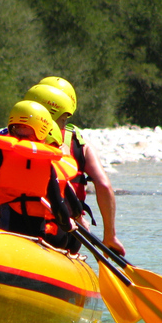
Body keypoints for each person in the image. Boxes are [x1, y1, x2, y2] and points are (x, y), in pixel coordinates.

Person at [0, 100, 80, 251]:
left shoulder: (0, 155)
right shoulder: (47, 163)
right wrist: (68, 225)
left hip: (10, 231)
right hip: (35, 236)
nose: (21, 134)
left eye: (26, 130)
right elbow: (59, 206)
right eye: (17, 129)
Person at [37, 76, 126, 255]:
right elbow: (103, 185)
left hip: (18, 225)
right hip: (65, 233)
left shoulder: (15, 133)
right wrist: (110, 235)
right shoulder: (79, 143)